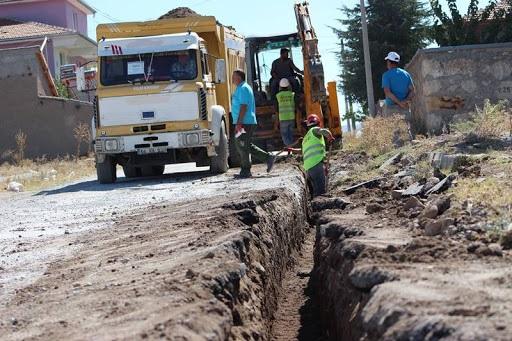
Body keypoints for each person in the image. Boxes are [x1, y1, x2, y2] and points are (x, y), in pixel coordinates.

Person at [231, 70, 275, 178]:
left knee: (242, 144)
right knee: (243, 144)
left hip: (245, 122)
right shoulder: (241, 88)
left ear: (239, 78)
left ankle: (246, 170)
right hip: (244, 122)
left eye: (234, 76)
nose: (232, 78)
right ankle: (268, 158)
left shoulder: (243, 88)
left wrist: (239, 123)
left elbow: (243, 106)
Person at [287, 114, 334, 197]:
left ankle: (316, 205)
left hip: (309, 169)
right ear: (318, 123)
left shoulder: (305, 139)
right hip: (317, 164)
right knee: (321, 191)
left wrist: (293, 150)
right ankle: (321, 207)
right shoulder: (314, 130)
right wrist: (329, 136)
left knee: (316, 191)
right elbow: (324, 131)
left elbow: (303, 151)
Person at [382, 51, 415, 117]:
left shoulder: (386, 75)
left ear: (389, 62)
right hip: (405, 107)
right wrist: (405, 101)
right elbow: (413, 91)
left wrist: (399, 103)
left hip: (391, 108)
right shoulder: (406, 74)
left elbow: (387, 92)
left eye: (387, 61)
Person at [275, 78, 296, 146]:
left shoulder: (278, 96)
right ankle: (291, 148)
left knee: (285, 135)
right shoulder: (292, 94)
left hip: (283, 118)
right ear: (288, 86)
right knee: (290, 134)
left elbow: (276, 108)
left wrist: (276, 121)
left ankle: (290, 147)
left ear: (280, 86)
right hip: (291, 117)